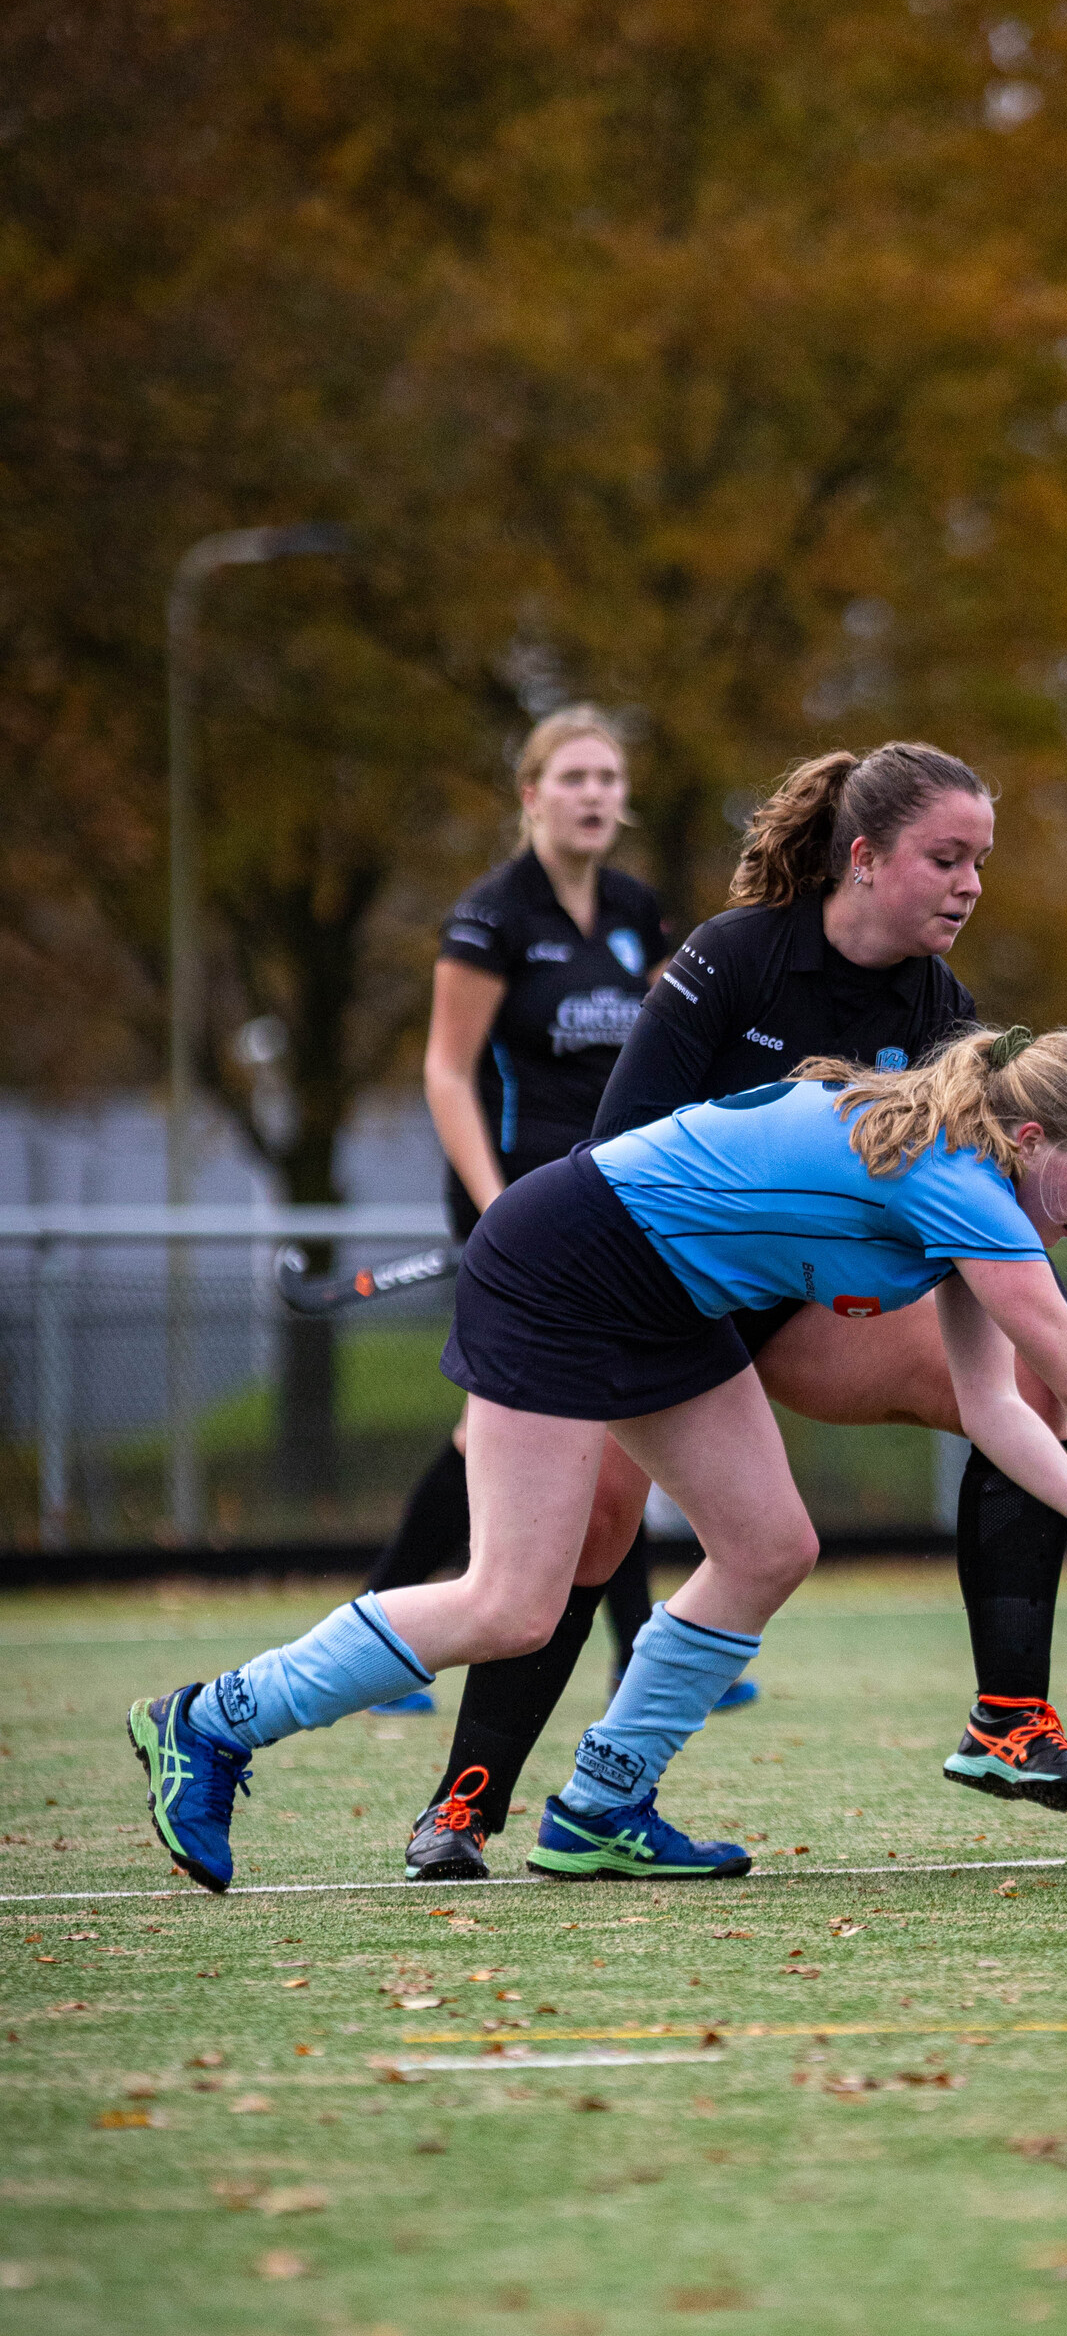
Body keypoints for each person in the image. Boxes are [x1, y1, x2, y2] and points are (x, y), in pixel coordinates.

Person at [127, 1029, 1067, 1895]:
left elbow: (1005, 1404)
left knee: (766, 1548)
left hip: (663, 1300)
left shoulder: (973, 1186)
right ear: (1027, 1140)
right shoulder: (959, 1176)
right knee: (511, 1601)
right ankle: (212, 1720)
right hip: (562, 1273)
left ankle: (602, 1803)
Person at [400, 741, 1067, 1888]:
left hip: (792, 1305)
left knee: (1028, 1388)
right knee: (588, 1528)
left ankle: (1010, 1720)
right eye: (949, 858)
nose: (972, 885)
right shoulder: (731, 959)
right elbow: (622, 1150)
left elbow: (964, 1203)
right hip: (657, 1284)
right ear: (867, 858)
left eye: (982, 861)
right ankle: (464, 1809)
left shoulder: (945, 1008)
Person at [360, 704, 683, 1715]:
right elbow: (447, 1073)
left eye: (608, 778)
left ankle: (385, 1625)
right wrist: (496, 1209)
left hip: (612, 1205)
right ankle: (629, 1648)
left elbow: (673, 1055)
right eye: (574, 777)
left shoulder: (636, 911)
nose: (595, 795)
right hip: (513, 1208)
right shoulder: (493, 915)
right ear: (531, 794)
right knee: (574, 1420)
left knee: (569, 1425)